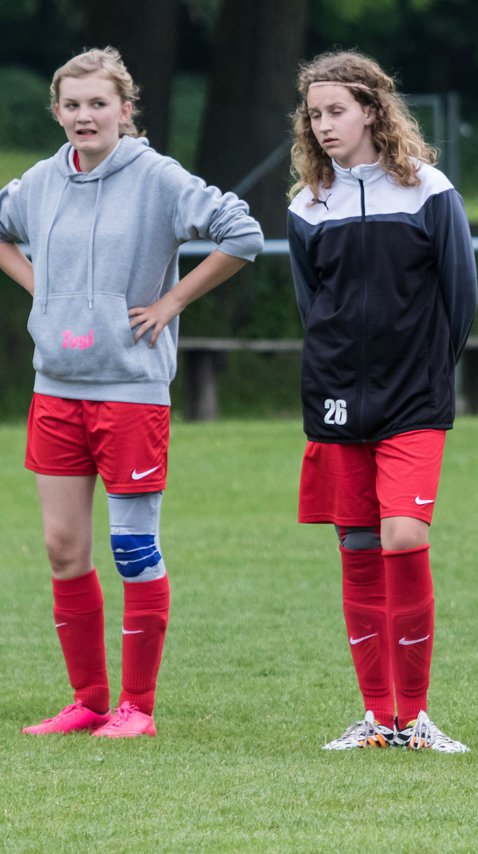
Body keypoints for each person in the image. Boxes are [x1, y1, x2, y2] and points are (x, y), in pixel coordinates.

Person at [0, 47, 263, 738]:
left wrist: (171, 300)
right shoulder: (39, 181)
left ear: (125, 108)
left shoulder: (157, 178)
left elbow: (243, 232)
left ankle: (136, 707)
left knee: (133, 551)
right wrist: (46, 292)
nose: (84, 116)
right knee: (62, 547)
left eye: (98, 104)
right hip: (56, 388)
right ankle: (87, 702)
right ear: (57, 111)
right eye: (73, 105)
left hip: (130, 392)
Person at [287, 51, 478, 750]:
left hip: (415, 398)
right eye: (315, 114)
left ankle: (415, 715)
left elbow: (461, 299)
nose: (325, 124)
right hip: (338, 399)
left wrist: (424, 368)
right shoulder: (307, 206)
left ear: (372, 110)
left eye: (337, 110)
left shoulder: (429, 191)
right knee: (359, 546)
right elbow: (313, 306)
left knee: (404, 536)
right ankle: (378, 718)